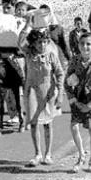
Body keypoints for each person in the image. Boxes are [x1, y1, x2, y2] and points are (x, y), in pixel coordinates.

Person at [18, 23, 64, 167]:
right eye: (39, 42)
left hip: (48, 92)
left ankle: (48, 154)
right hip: (32, 91)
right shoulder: (29, 54)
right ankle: (37, 154)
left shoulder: (51, 55)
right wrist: (27, 24)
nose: (42, 45)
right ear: (33, 43)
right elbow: (19, 42)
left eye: (45, 41)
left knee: (47, 124)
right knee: (33, 123)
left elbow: (60, 73)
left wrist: (60, 93)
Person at [65, 33, 91, 173]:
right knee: (73, 126)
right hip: (77, 100)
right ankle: (81, 155)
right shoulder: (74, 61)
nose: (85, 47)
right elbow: (66, 82)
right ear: (78, 45)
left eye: (88, 44)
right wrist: (73, 100)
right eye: (82, 43)